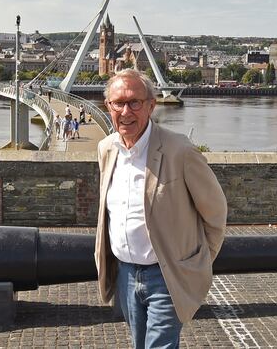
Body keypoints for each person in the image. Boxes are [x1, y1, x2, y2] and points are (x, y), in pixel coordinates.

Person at [94, 69, 227, 348]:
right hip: (126, 275)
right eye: (118, 103)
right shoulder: (106, 149)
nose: (125, 111)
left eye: (134, 102)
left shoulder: (179, 150)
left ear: (151, 105)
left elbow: (215, 213)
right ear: (108, 106)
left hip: (167, 275)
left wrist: (197, 261)